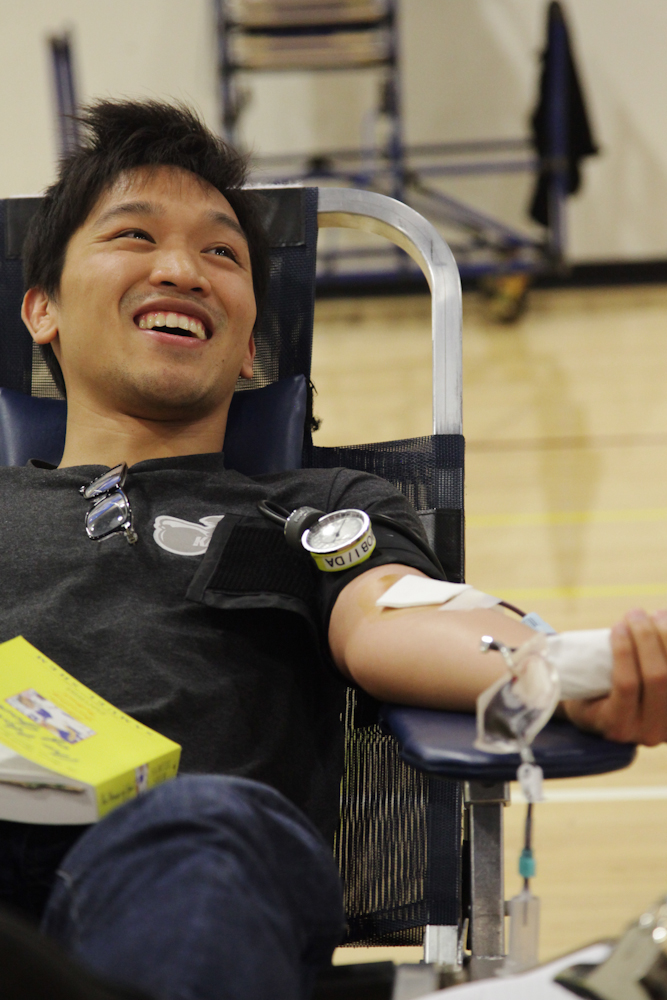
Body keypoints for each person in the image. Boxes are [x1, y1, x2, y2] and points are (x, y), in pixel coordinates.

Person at [0, 98, 665, 1000]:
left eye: (221, 254)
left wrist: (559, 669)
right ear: (40, 310)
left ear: (248, 354)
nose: (182, 269)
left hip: (183, 869)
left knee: (201, 828)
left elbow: (394, 618)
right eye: (132, 235)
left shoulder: (315, 508)